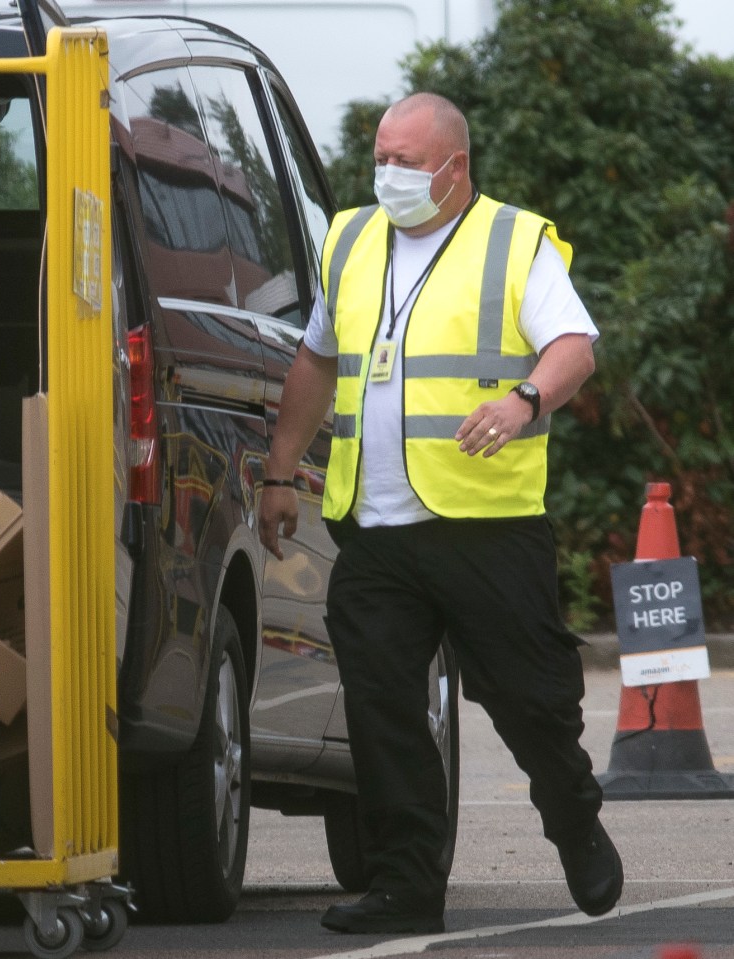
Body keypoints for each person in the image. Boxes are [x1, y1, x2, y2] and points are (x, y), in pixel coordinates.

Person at [258, 92, 623, 935]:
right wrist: (280, 471)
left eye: (407, 162)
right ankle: (405, 884)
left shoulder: (510, 239)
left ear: (454, 168)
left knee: (531, 703)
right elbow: (316, 358)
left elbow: (573, 346)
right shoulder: (348, 239)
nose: (388, 176)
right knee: (383, 710)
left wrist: (523, 400)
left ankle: (573, 821)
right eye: (380, 159)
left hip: (484, 527)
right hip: (377, 530)